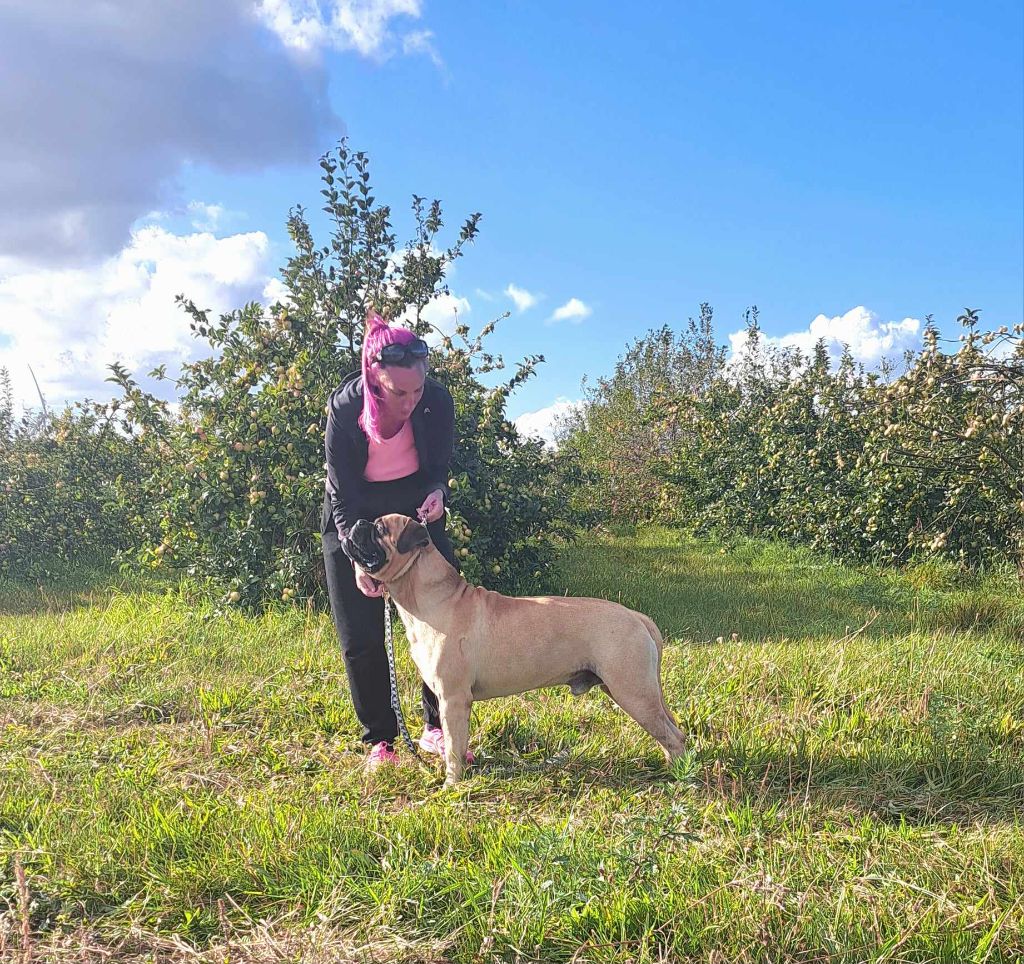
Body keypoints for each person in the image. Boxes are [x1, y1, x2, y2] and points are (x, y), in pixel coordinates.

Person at [321, 311, 474, 770]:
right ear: (373, 379)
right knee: (360, 630)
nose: (409, 402)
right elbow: (341, 493)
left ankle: (437, 727)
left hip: (412, 513)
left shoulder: (437, 403)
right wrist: (355, 555)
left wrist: (437, 496)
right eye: (397, 392)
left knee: (440, 617)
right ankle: (381, 740)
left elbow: (438, 471)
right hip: (355, 514)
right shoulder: (345, 410)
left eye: (417, 390)